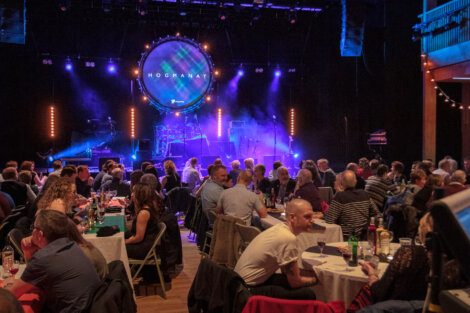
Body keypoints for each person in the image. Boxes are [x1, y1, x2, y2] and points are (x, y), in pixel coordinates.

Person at [8, 210, 101, 313]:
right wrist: (27, 251)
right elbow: (33, 279)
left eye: (33, 228)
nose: (32, 232)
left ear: (39, 234)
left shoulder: (43, 258)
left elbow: (11, 294)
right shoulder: (71, 245)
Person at [234, 199, 317, 300]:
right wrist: (317, 280)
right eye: (307, 217)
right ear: (292, 217)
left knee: (286, 280)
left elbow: (286, 273)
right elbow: (295, 282)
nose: (312, 220)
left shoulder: (280, 228)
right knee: (308, 294)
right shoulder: (288, 238)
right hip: (246, 290)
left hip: (238, 283)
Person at [325, 170, 379, 240]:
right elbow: (377, 214)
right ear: (355, 181)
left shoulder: (340, 197)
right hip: (364, 237)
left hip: (345, 239)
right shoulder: (365, 194)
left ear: (342, 182)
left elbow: (329, 220)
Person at [125, 183, 164, 260]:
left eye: (134, 192)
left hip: (143, 248)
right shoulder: (147, 207)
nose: (131, 194)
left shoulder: (143, 213)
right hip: (145, 243)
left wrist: (125, 242)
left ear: (140, 195)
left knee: (116, 248)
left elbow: (139, 237)